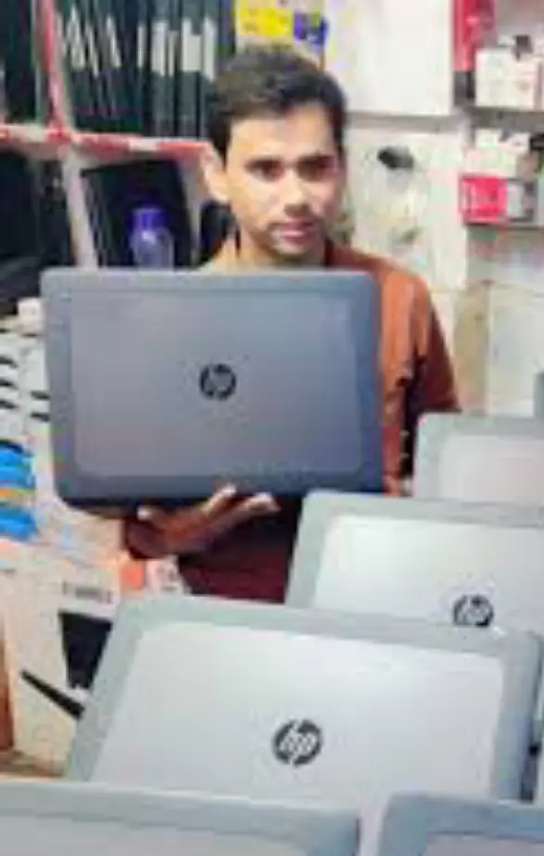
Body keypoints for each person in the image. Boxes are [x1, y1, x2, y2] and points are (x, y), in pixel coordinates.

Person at [123, 45, 458, 602]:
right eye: (265, 170)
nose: (297, 197)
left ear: (341, 168)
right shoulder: (167, 319)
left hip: (375, 595)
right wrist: (170, 537)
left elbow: (445, 457)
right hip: (231, 607)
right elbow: (126, 514)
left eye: (315, 167)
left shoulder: (399, 298)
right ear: (217, 174)